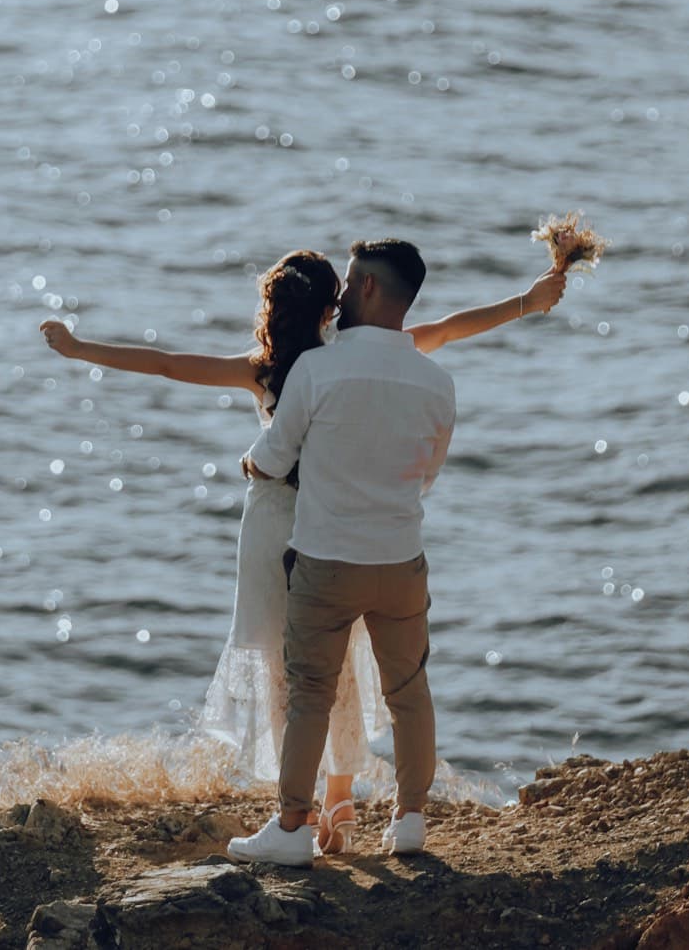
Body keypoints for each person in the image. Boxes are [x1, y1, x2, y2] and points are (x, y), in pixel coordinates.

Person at [40, 247, 563, 854]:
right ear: (328, 305)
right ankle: (340, 801)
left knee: (296, 676)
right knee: (348, 668)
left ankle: (299, 812)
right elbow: (448, 329)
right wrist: (525, 302)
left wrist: (80, 349)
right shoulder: (352, 358)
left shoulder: (270, 369)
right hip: (350, 529)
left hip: (277, 528)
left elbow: (166, 364)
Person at [227, 238, 455, 866]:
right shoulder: (436, 381)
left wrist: (249, 460)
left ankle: (293, 828)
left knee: (310, 693)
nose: (343, 294)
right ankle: (409, 820)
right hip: (401, 560)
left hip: (327, 562)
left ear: (373, 289)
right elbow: (427, 473)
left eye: (352, 283)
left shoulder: (316, 370)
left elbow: (275, 458)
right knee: (409, 692)